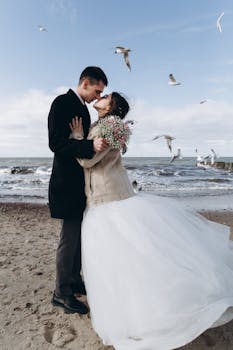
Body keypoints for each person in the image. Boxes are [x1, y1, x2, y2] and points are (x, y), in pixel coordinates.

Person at [70, 92, 233, 350]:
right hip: (98, 199)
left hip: (110, 199)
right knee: (116, 262)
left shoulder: (112, 126)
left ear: (112, 107)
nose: (100, 97)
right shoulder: (99, 125)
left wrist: (77, 138)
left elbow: (87, 160)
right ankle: (128, 310)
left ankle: (150, 313)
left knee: (131, 260)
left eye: (106, 96)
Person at [48, 66, 109, 315]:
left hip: (80, 184)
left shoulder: (82, 107)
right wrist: (86, 144)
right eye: (97, 90)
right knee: (69, 239)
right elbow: (55, 143)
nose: (98, 96)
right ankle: (61, 294)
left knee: (78, 239)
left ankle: (73, 281)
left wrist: (82, 141)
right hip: (66, 184)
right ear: (85, 82)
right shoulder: (62, 102)